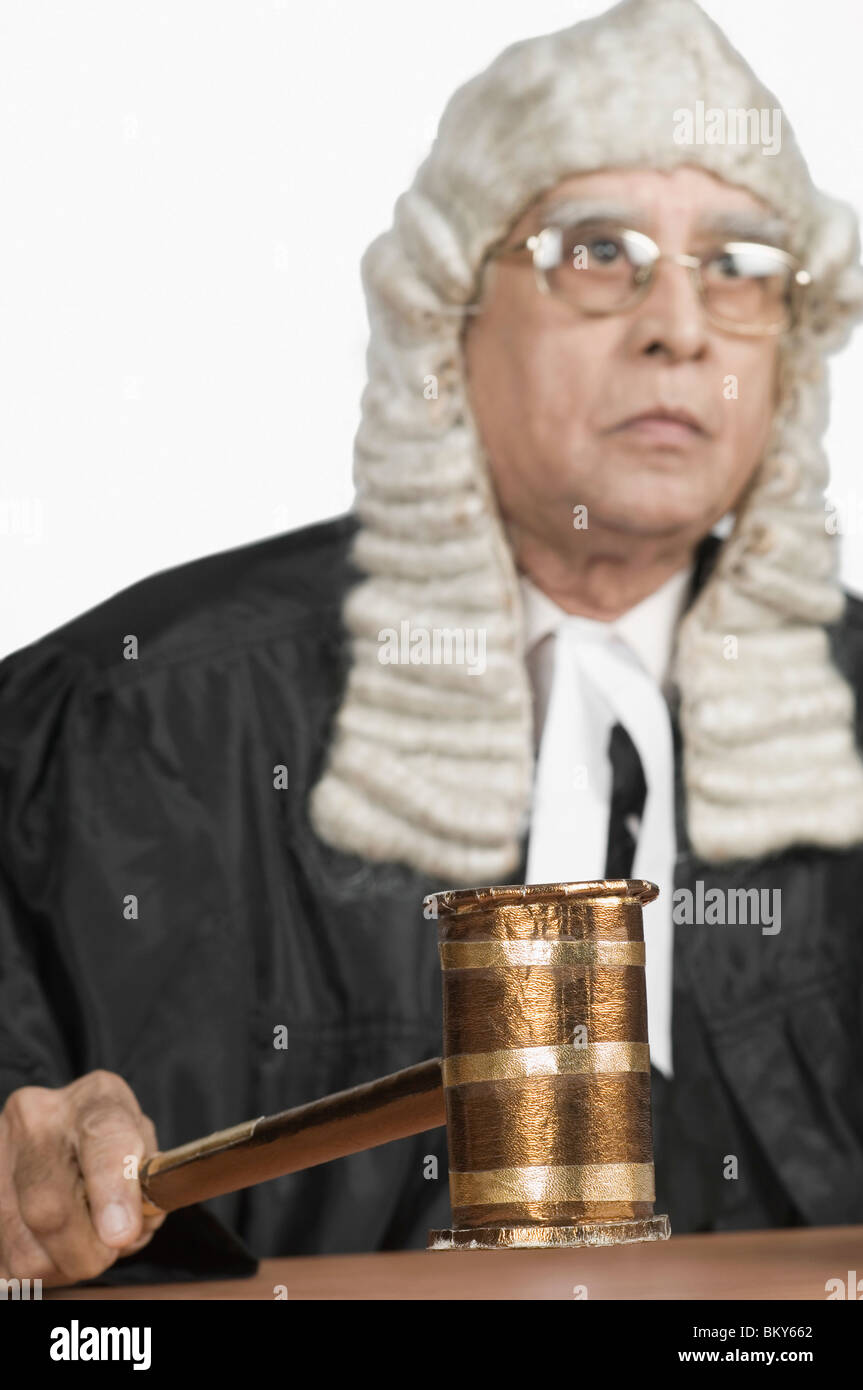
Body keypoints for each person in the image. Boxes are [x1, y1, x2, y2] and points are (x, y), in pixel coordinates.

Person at [2, 0, 863, 1289]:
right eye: (598, 250)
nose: (680, 327)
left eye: (741, 265)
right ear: (446, 311)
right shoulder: (123, 724)